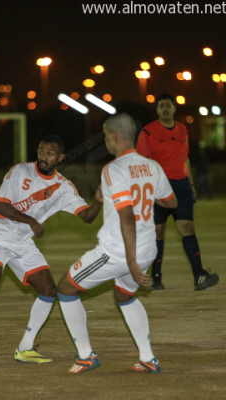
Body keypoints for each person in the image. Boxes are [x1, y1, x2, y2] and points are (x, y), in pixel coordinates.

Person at [0, 134, 103, 363]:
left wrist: (99, 201)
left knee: (49, 290)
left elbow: (87, 217)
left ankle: (25, 347)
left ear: (60, 157)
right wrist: (30, 221)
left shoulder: (63, 187)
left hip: (22, 242)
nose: (43, 157)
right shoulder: (20, 171)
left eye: (49, 154)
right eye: (41, 151)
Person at [57, 113, 177, 374]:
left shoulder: (113, 168)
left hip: (118, 252)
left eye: (105, 136)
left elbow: (127, 217)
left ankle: (86, 355)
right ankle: (148, 358)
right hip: (147, 249)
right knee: (124, 295)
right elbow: (171, 202)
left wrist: (131, 262)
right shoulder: (153, 166)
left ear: (113, 137)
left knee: (66, 288)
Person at [136, 94, 219, 291]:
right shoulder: (148, 132)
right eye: (161, 106)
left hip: (181, 187)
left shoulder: (182, 129)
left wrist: (190, 184)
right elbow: (140, 163)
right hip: (158, 188)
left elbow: (186, 158)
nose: (165, 108)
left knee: (187, 228)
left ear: (174, 108)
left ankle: (199, 276)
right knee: (158, 231)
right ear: (157, 110)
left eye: (168, 105)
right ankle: (156, 277)